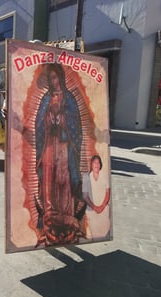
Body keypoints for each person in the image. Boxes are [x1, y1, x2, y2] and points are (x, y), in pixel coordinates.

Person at [34, 63, 83, 245]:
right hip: (48, 145)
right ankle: (49, 215)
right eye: (50, 78)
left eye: (55, 77)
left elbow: (75, 122)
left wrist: (62, 119)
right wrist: (48, 119)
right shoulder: (45, 100)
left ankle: (66, 214)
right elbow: (38, 123)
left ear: (60, 78)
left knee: (64, 179)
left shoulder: (69, 98)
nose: (53, 81)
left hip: (64, 145)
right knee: (49, 179)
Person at [82, 155, 111, 240]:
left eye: (98, 163)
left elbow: (107, 192)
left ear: (100, 165)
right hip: (91, 209)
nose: (96, 165)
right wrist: (94, 207)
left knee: (105, 231)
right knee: (95, 235)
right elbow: (85, 196)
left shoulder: (104, 175)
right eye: (94, 163)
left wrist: (102, 206)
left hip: (104, 208)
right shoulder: (86, 177)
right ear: (91, 165)